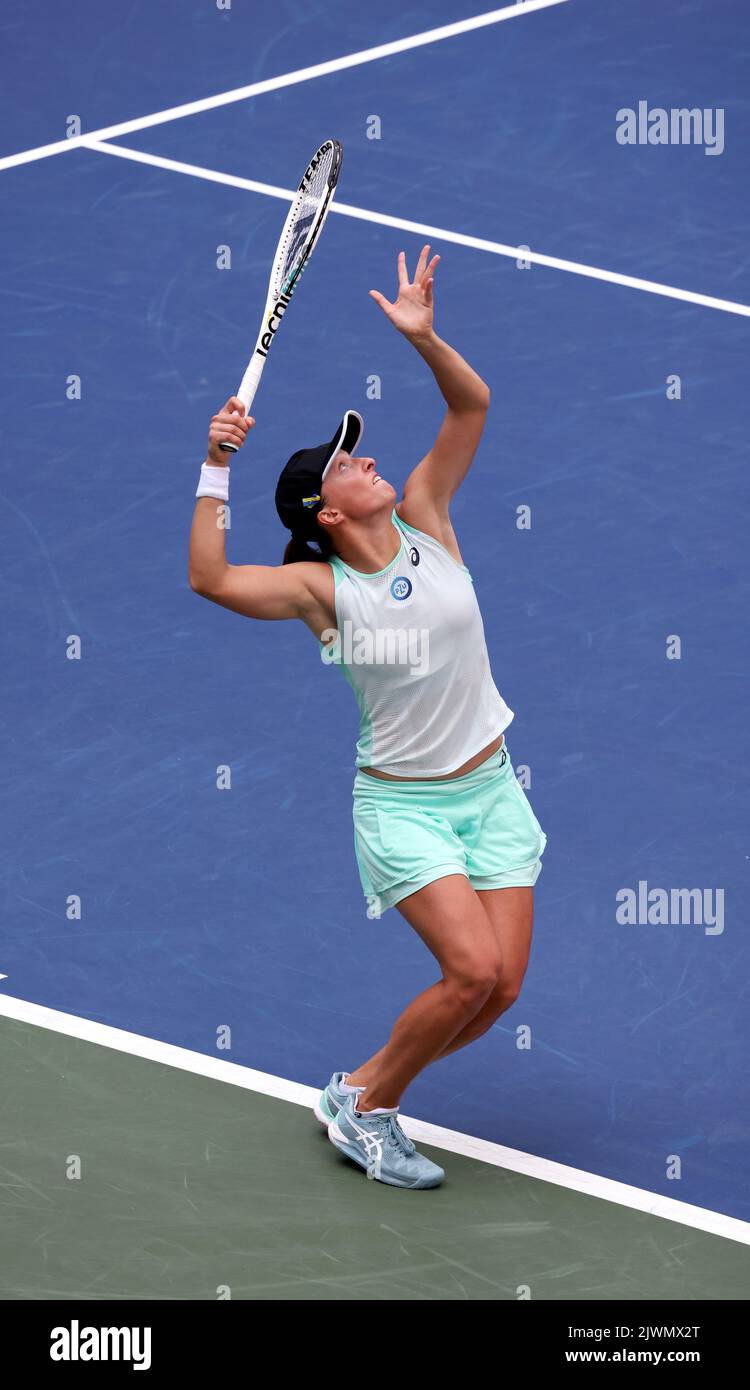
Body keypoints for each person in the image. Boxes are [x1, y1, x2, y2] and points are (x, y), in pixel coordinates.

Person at [188, 245, 547, 1188]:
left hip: (493, 789)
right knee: (468, 973)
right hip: (407, 809)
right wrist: (215, 465)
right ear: (325, 509)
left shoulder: (428, 516)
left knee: (501, 991)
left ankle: (358, 1088)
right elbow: (212, 577)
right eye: (348, 461)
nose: (370, 457)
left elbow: (472, 406)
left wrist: (427, 340)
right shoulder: (320, 588)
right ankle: (372, 1107)